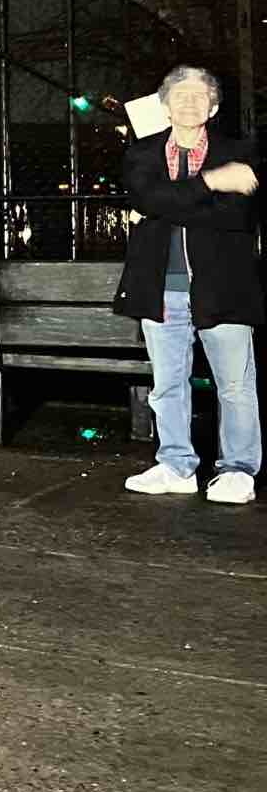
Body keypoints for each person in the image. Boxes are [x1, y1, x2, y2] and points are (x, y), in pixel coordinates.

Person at [114, 65, 259, 504]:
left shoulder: (241, 150)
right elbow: (146, 197)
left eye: (200, 96)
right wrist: (211, 183)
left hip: (224, 286)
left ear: (213, 107)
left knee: (234, 385)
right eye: (181, 95)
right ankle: (176, 465)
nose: (190, 102)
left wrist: (164, 204)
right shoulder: (142, 154)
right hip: (161, 287)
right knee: (168, 384)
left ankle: (238, 470)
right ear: (165, 105)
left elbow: (237, 217)